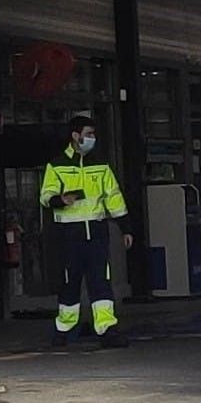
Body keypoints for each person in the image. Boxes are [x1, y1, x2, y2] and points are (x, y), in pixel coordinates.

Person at [39, 115, 133, 345]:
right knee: (69, 282)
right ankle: (64, 328)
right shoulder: (57, 165)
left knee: (100, 281)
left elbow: (114, 198)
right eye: (88, 134)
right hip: (68, 234)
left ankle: (106, 329)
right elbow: (45, 197)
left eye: (93, 134)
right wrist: (61, 199)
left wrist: (125, 228)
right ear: (75, 135)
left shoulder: (101, 165)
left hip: (97, 232)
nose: (92, 138)